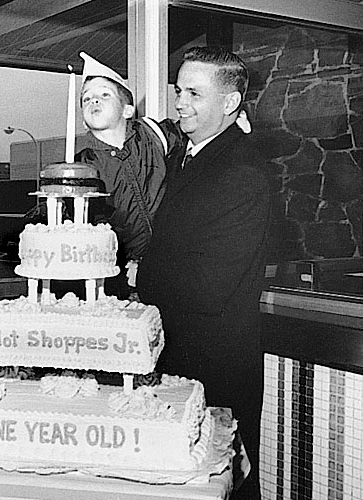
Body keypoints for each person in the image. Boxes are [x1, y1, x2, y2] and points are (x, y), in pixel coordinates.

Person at [137, 46, 272, 499]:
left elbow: (208, 285)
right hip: (178, 363)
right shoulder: (187, 157)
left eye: (194, 93)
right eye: (179, 90)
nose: (179, 103)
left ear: (230, 104)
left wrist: (138, 274)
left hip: (215, 370)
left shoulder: (242, 172)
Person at [75, 52, 184, 299]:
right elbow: (86, 229)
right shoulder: (84, 167)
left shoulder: (154, 136)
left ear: (127, 110)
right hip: (118, 277)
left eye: (104, 94)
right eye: (86, 99)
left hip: (171, 264)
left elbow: (192, 132)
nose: (94, 101)